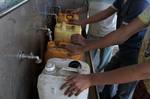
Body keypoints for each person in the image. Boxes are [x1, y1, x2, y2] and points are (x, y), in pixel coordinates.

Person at [60, 5, 150, 98]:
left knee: (123, 93)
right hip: (139, 71)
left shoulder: (140, 3)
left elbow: (145, 71)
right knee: (110, 69)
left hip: (136, 58)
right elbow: (124, 32)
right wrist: (85, 44)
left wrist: (90, 79)